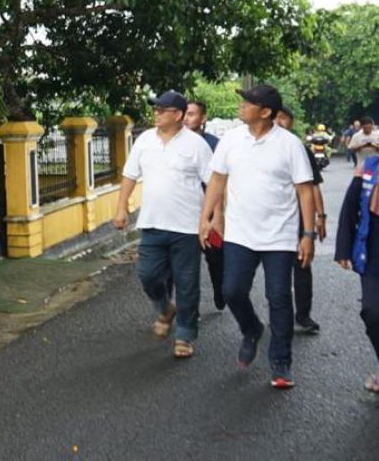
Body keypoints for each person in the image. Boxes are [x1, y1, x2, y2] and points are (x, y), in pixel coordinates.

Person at [198, 84, 317, 389]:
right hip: (239, 233)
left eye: (247, 103)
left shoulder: (289, 145)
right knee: (232, 291)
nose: (241, 106)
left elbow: (305, 191)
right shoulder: (231, 141)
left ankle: (280, 363)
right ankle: (251, 329)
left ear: (265, 112)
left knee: (278, 298)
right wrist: (207, 217)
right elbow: (217, 179)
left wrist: (307, 234)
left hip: (279, 236)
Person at [114, 90, 212, 359]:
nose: (156, 113)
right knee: (148, 275)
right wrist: (121, 207)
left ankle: (185, 335)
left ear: (178, 115)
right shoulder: (145, 140)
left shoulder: (196, 145)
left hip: (187, 227)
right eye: (155, 109)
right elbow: (129, 174)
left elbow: (213, 183)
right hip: (153, 224)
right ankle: (165, 309)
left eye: (162, 110)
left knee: (187, 283)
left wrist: (210, 219)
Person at [276, 105, 328, 333]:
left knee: (302, 266)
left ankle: (303, 315)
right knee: (276, 271)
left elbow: (313, 186)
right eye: (275, 118)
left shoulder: (300, 149)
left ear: (291, 122)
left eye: (284, 118)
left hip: (299, 217)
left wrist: (320, 216)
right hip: (271, 221)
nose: (279, 122)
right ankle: (279, 313)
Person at [334, 155, 379, 393]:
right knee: (372, 311)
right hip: (373, 252)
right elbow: (349, 210)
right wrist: (343, 247)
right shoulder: (368, 168)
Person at [184, 100, 224, 309]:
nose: (186, 118)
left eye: (191, 114)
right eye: (185, 113)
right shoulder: (174, 143)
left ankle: (220, 290)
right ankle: (188, 308)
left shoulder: (215, 145)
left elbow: (223, 180)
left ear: (203, 118)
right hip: (184, 213)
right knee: (183, 266)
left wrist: (218, 214)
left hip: (210, 214)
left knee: (216, 258)